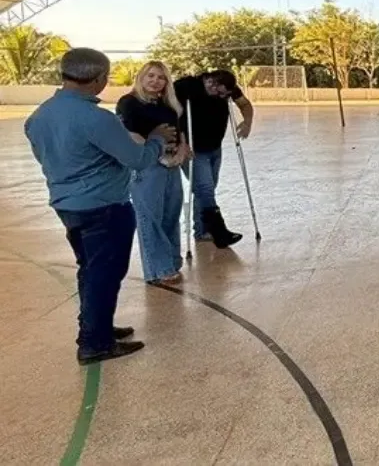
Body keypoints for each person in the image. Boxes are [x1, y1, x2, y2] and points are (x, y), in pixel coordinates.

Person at [25, 48, 174, 364]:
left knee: (91, 269)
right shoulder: (97, 119)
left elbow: (45, 158)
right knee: (104, 274)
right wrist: (157, 139)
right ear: (99, 79)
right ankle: (95, 344)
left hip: (68, 205)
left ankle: (96, 327)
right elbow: (137, 159)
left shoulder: (39, 116)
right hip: (104, 207)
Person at [116, 61, 189, 284]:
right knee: (150, 217)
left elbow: (179, 132)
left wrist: (181, 150)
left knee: (171, 214)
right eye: (151, 75)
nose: (155, 81)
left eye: (161, 77)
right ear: (141, 77)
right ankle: (158, 269)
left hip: (171, 164)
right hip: (147, 165)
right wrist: (156, 152)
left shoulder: (168, 106)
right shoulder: (129, 103)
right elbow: (130, 135)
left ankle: (171, 260)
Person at [174, 70, 254, 249]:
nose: (222, 97)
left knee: (205, 190)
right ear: (211, 83)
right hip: (192, 149)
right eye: (220, 93)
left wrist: (247, 122)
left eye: (225, 95)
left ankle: (202, 231)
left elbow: (244, 104)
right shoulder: (186, 86)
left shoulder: (228, 88)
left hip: (214, 148)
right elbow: (172, 114)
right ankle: (219, 231)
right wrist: (181, 142)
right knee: (205, 188)